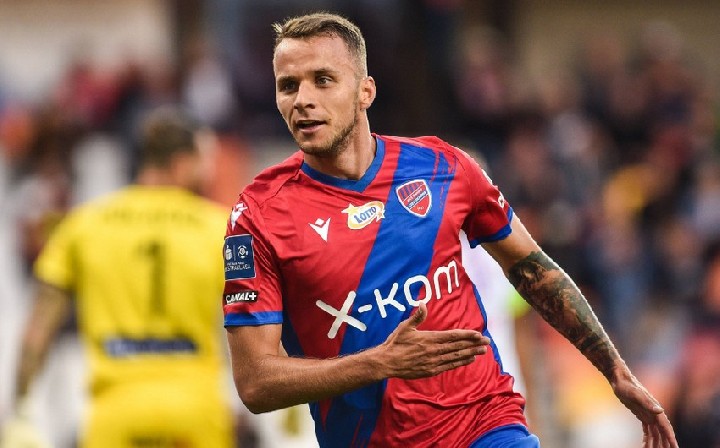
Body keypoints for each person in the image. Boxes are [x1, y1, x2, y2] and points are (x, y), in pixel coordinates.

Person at [222, 12, 678, 448]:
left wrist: (615, 370)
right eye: (288, 85)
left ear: (365, 91)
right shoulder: (257, 216)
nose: (302, 99)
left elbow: (532, 269)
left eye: (323, 80)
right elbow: (255, 383)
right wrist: (379, 363)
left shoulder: (443, 167)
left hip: (486, 425)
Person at [1, 107, 234, 448]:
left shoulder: (83, 225)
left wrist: (20, 410)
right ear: (182, 163)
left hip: (114, 411)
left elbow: (38, 330)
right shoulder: (222, 228)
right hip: (196, 410)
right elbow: (260, 316)